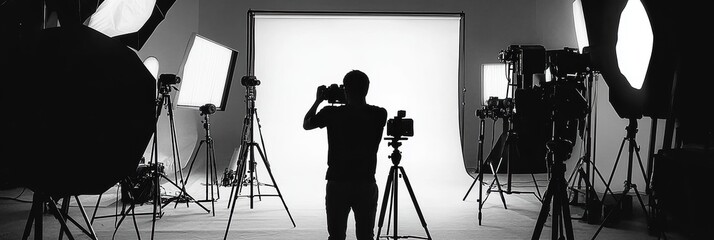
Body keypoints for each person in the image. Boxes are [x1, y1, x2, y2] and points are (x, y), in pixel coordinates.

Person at [303, 70, 388, 240]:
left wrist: (318, 100)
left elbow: (307, 124)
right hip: (366, 182)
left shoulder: (331, 113)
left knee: (336, 235)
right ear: (367, 88)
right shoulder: (379, 114)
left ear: (345, 89)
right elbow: (357, 110)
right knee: (366, 236)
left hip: (337, 182)